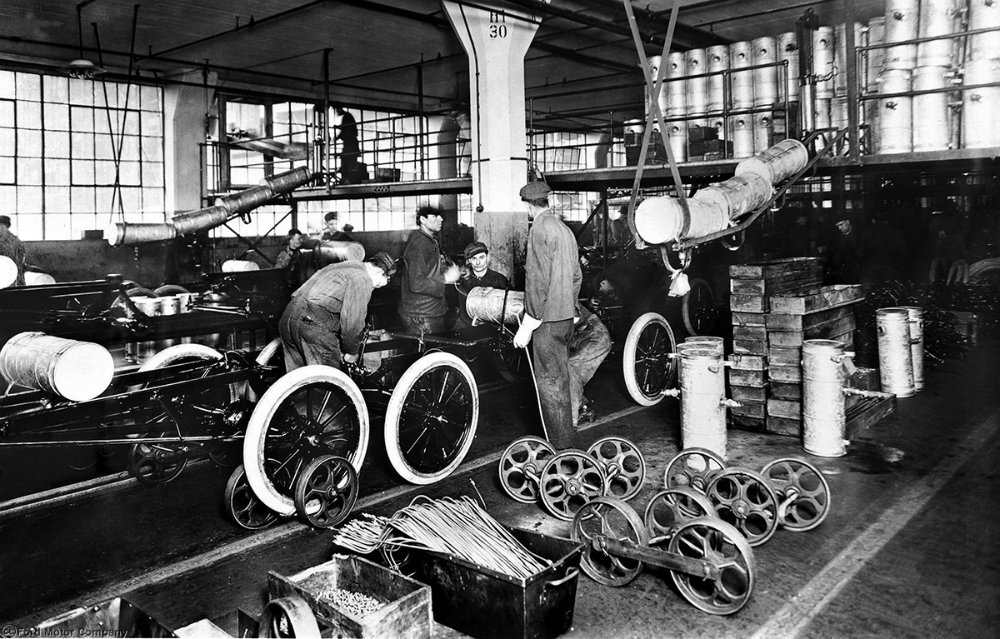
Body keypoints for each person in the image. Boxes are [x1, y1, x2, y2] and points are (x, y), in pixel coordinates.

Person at [512, 180, 583, 448]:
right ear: (548, 200)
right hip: (565, 318)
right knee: (561, 380)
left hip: (547, 322)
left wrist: (528, 324)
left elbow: (537, 281)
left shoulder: (539, 229)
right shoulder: (565, 230)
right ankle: (566, 441)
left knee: (550, 386)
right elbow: (577, 275)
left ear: (529, 206)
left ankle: (562, 452)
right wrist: (572, 308)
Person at [278, 251, 396, 372]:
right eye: (378, 285)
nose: (375, 287)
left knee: (299, 380)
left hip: (288, 317)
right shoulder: (362, 278)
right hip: (312, 325)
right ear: (380, 272)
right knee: (327, 381)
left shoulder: (342, 266)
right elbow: (352, 323)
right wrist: (352, 351)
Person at [399, 205, 460, 335]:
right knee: (429, 353)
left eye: (441, 216)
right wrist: (446, 278)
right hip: (421, 315)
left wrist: (448, 270)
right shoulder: (419, 244)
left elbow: (429, 268)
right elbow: (416, 283)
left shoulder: (429, 240)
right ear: (422, 219)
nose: (441, 219)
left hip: (430, 310)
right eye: (435, 216)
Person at [568, 302, 612, 427]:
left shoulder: (557, 295)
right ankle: (584, 408)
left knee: (570, 369)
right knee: (560, 370)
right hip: (577, 337)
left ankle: (571, 422)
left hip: (595, 336)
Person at [454, 241, 511, 329]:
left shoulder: (499, 280)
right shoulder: (465, 282)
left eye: (481, 257)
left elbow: (509, 310)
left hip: (495, 328)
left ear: (487, 257)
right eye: (474, 258)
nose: (478, 262)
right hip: (471, 327)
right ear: (469, 261)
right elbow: (463, 313)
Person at [828, 211, 862, 284]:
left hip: (860, 272)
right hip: (847, 272)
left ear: (848, 222)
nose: (839, 228)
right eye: (838, 226)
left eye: (841, 224)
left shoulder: (860, 234)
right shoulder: (839, 238)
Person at [335, 106, 362, 184]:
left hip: (350, 145)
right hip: (351, 144)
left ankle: (348, 178)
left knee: (346, 159)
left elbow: (345, 130)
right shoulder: (348, 116)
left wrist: (337, 137)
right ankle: (349, 178)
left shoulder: (346, 117)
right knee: (348, 160)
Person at [0, 215, 26, 287]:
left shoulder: (14, 241)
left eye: (1, 226)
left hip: (12, 273)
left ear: (6, 227)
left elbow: (19, 262)